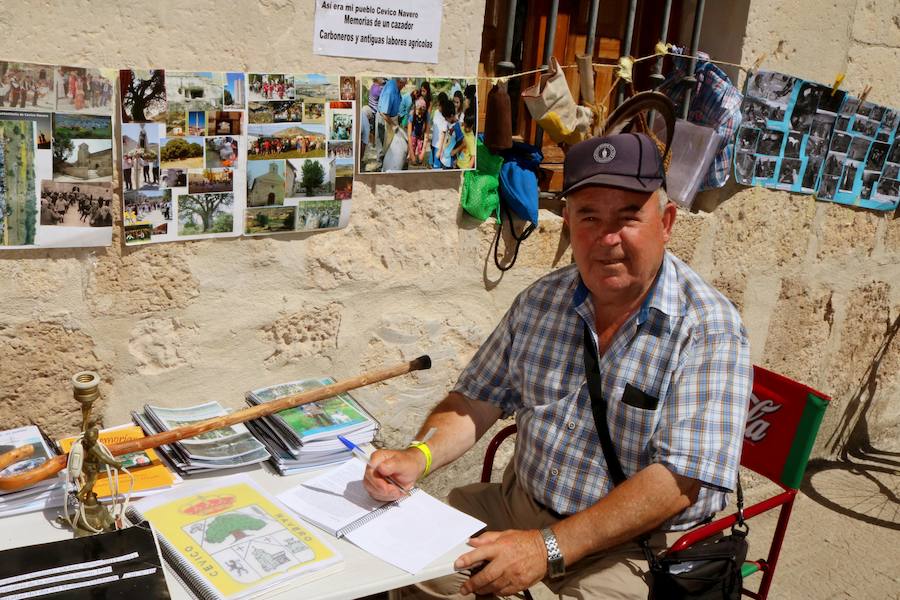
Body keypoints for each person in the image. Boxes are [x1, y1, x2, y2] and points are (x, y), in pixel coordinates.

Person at [365, 133, 751, 599]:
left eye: (629, 217)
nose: (608, 239)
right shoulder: (542, 300)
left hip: (632, 547)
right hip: (522, 506)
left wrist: (545, 547)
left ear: (666, 222)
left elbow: (676, 484)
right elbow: (475, 400)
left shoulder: (709, 327)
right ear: (568, 223)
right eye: (589, 217)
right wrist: (417, 456)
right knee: (410, 564)